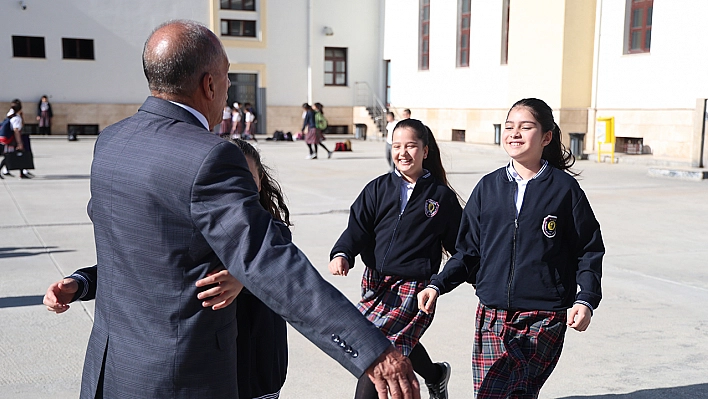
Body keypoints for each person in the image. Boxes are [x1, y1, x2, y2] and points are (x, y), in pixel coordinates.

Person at [75, 19, 418, 399]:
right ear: (209, 83)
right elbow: (267, 261)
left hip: (111, 373)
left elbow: (132, 249)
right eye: (226, 78)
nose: (226, 88)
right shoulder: (208, 156)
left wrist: (81, 281)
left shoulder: (111, 141)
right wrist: (372, 351)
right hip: (179, 378)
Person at [43, 138, 290, 399]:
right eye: (230, 179)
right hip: (202, 367)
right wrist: (80, 284)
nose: (237, 189)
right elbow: (134, 267)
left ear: (260, 181)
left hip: (256, 368)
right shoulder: (190, 228)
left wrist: (244, 278)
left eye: (246, 179)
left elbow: (281, 271)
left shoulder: (272, 230)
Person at [418, 98, 604, 398]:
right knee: (490, 393)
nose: (515, 133)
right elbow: (468, 252)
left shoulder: (564, 190)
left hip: (544, 316)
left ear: (546, 137)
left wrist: (586, 299)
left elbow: (589, 248)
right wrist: (437, 285)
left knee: (519, 392)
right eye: (509, 127)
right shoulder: (487, 187)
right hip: (492, 314)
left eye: (525, 127)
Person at [329, 118, 462, 399]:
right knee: (397, 343)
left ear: (425, 151)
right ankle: (436, 375)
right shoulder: (377, 189)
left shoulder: (440, 197)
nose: (403, 153)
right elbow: (358, 228)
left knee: (376, 352)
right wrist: (343, 253)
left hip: (414, 289)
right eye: (397, 146)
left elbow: (461, 248)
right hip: (376, 283)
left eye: (411, 146)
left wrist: (448, 281)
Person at [0, 99, 31, 179]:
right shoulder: (16, 118)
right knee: (10, 156)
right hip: (13, 140)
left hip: (9, 139)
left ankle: (21, 172)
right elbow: (16, 130)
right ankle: (21, 173)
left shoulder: (10, 114)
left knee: (17, 155)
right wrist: (19, 142)